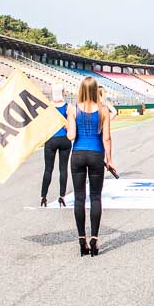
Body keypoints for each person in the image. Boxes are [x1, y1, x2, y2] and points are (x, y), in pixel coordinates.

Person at [67, 76, 116, 257]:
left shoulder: (73, 109)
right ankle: (94, 239)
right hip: (96, 155)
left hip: (78, 155)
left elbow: (71, 136)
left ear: (81, 90)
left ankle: (82, 240)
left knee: (79, 198)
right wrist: (109, 160)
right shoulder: (103, 111)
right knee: (95, 197)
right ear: (96, 90)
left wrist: (67, 125)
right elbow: (107, 138)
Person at [40, 83, 71, 208]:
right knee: (63, 169)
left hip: (51, 139)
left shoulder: (47, 107)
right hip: (64, 139)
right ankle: (62, 196)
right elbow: (69, 125)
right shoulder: (68, 107)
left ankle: (43, 195)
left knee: (48, 169)